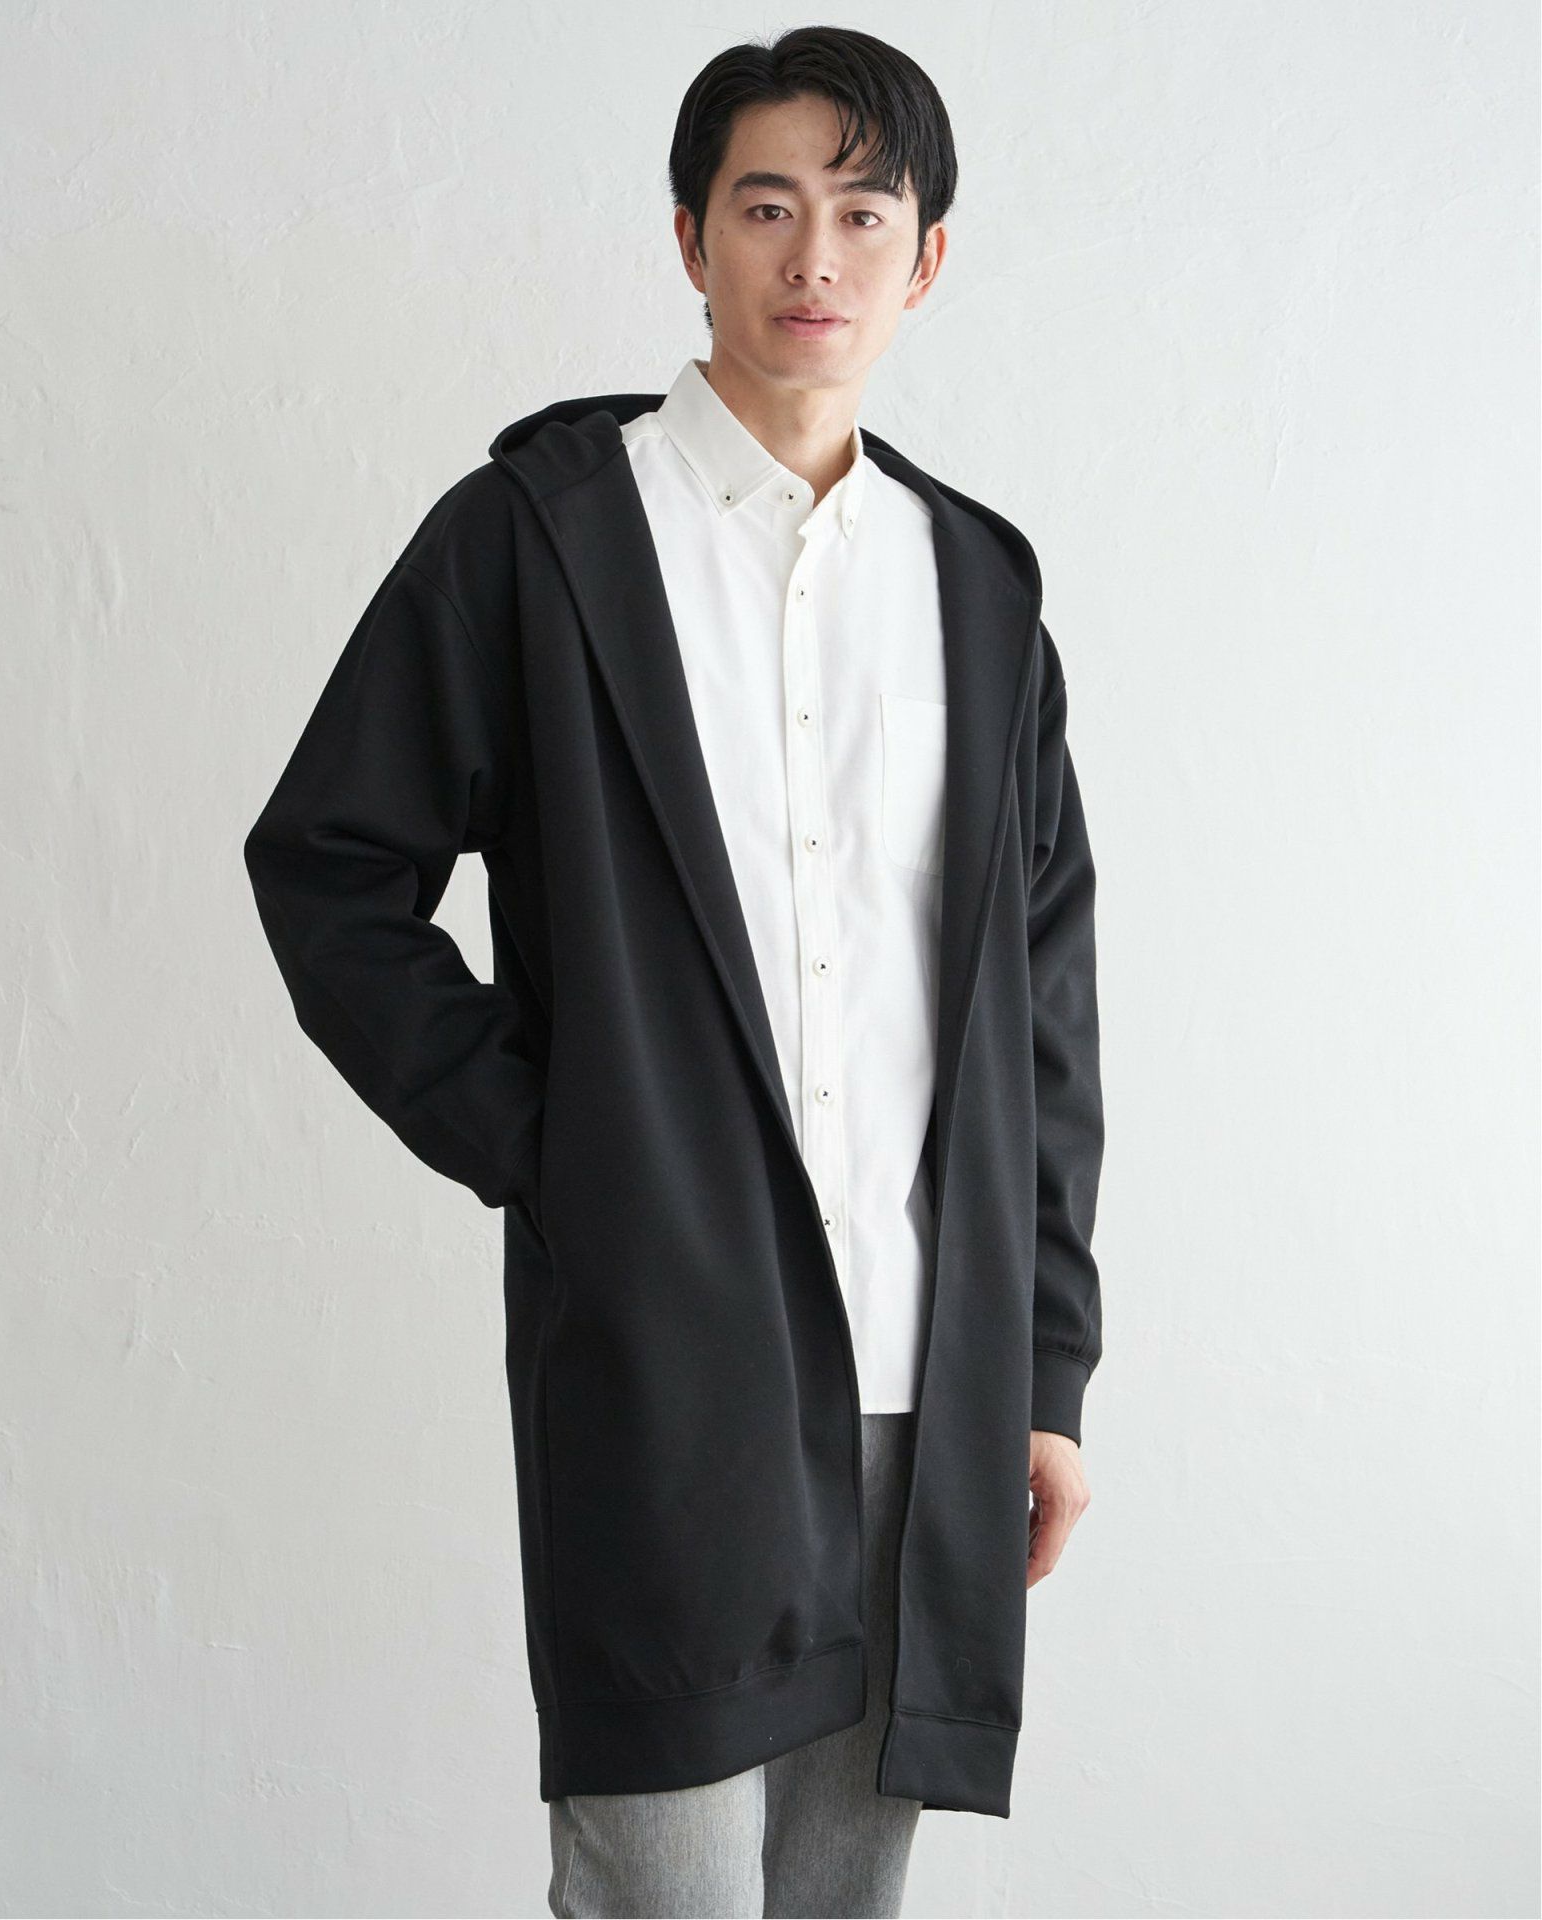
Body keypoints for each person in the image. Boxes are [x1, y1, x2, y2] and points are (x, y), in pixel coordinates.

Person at [244, 25, 1104, 1918]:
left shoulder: (978, 592)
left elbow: (1044, 1011)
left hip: (929, 1378)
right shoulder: (540, 542)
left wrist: (1045, 1366)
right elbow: (330, 866)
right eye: (767, 206)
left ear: (926, 259)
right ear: (691, 238)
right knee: (664, 1895)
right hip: (668, 1365)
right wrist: (560, 1145)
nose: (815, 259)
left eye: (862, 215)